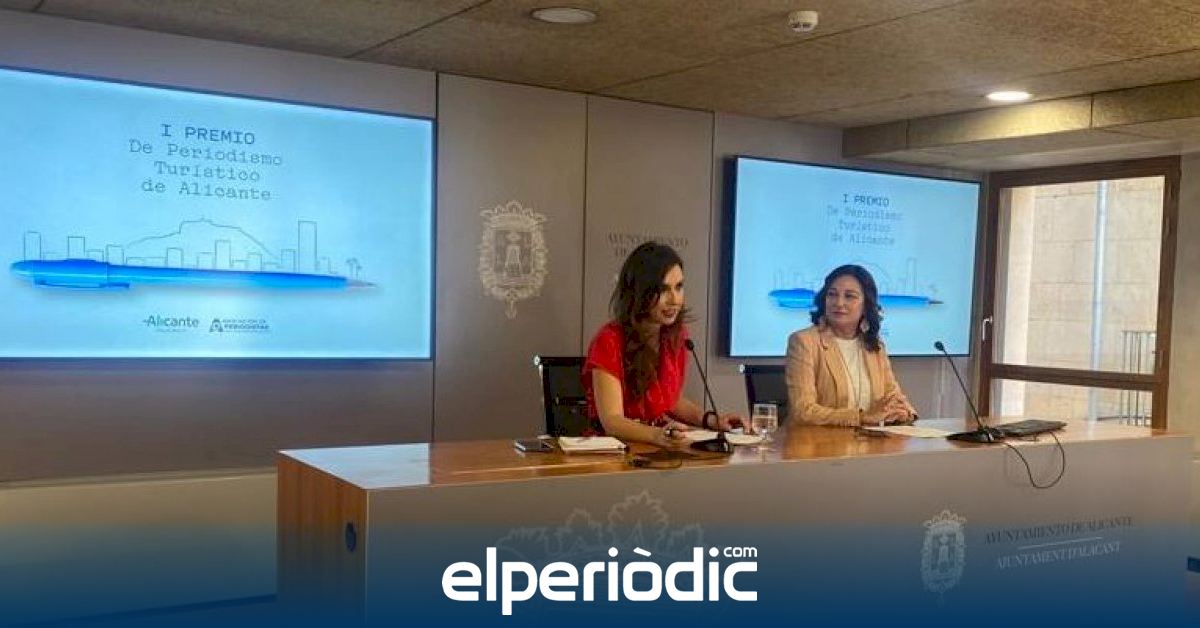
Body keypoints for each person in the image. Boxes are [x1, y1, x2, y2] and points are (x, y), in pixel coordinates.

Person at [583, 242, 743, 449]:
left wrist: (711, 420)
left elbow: (669, 400)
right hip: (614, 451)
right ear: (640, 292)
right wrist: (658, 435)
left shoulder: (676, 336)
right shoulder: (609, 340)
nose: (674, 300)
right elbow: (612, 421)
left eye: (679, 287)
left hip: (657, 447)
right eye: (663, 290)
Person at [785, 264, 916, 426]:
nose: (839, 303)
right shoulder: (804, 342)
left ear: (866, 305)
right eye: (832, 294)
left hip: (868, 440)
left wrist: (905, 412)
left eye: (849, 296)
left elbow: (893, 394)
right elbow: (803, 410)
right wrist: (861, 417)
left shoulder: (874, 345)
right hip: (818, 440)